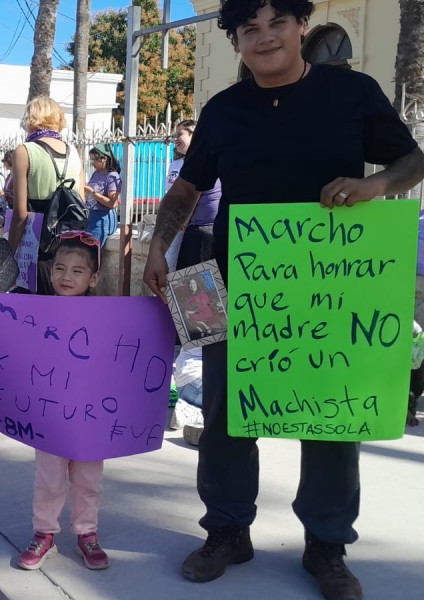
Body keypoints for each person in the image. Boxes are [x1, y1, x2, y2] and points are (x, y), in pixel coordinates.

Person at [142, 2, 424, 599]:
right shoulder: (223, 110)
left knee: (328, 414)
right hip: (231, 284)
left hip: (329, 287)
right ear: (237, 40)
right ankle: (226, 530)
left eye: (277, 23)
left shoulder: (351, 94)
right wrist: (158, 247)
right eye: (250, 29)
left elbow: (412, 160)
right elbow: (189, 185)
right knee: (222, 412)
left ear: (301, 27)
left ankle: (326, 544)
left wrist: (373, 186)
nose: (265, 38)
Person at [0, 231, 111, 572]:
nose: (66, 276)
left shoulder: (109, 316)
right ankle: (44, 533)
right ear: (49, 271)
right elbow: (10, 328)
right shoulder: (35, 310)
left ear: (94, 278)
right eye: (60, 268)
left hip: (91, 418)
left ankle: (87, 532)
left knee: (88, 479)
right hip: (50, 416)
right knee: (49, 477)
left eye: (77, 271)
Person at [8, 96, 85, 294]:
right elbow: (82, 202)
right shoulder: (74, 152)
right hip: (67, 246)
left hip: (35, 247)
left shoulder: (25, 151)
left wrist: (9, 252)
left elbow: (20, 214)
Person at [167, 120, 221, 270]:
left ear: (194, 135)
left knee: (197, 286)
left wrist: (182, 219)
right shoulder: (190, 161)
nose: (175, 139)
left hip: (204, 231)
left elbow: (192, 197)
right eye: (174, 135)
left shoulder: (202, 160)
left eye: (180, 134)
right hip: (198, 228)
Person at [83, 144, 121, 247]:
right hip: (91, 216)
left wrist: (92, 193)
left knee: (93, 251)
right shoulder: (96, 174)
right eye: (91, 160)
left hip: (102, 218)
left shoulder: (112, 176)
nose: (92, 163)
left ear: (104, 158)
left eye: (94, 160)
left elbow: (112, 204)